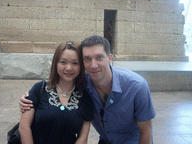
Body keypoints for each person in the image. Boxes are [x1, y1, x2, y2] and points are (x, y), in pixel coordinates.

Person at [20, 35, 156, 144]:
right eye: (87, 59)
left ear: (109, 58)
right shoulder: (82, 85)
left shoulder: (137, 86)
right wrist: (27, 98)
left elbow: (146, 132)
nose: (93, 65)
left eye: (99, 57)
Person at [18, 41, 94, 144]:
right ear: (56, 63)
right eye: (63, 62)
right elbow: (24, 127)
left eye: (75, 63)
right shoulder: (39, 89)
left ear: (81, 66)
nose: (69, 68)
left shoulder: (85, 97)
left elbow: (83, 138)